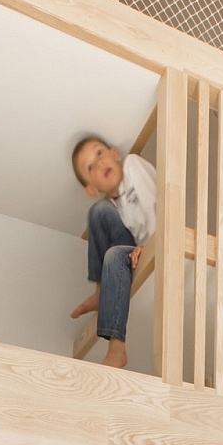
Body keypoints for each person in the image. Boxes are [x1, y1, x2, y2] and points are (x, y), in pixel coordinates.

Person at [70, 137, 156, 370]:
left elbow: (156, 203)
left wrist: (150, 244)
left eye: (99, 154)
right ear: (91, 189)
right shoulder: (113, 208)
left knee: (114, 255)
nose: (98, 164)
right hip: (136, 247)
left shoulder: (132, 166)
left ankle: (116, 348)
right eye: (90, 167)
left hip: (159, 236)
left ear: (115, 154)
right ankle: (101, 292)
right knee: (98, 212)